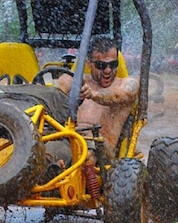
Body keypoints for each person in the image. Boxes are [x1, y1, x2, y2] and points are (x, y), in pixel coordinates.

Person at [59, 34, 139, 165]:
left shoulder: (128, 84)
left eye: (113, 64)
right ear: (89, 63)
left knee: (86, 153)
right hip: (68, 140)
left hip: (100, 147)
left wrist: (94, 95)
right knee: (44, 152)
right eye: (101, 65)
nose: (108, 70)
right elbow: (58, 88)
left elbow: (117, 96)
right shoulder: (77, 81)